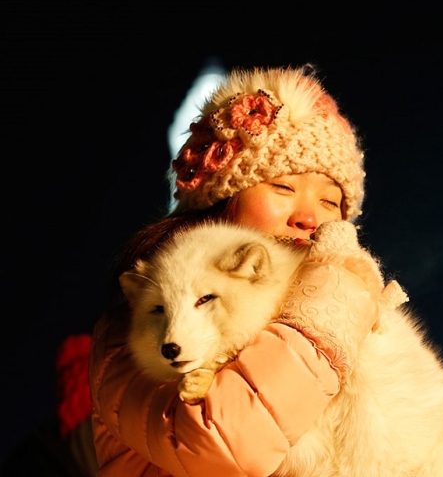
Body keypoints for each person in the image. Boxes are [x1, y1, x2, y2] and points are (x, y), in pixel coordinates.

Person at [90, 65, 392, 476]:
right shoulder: (145, 317)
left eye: (329, 202)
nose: (309, 218)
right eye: (283, 187)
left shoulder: (337, 305)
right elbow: (225, 444)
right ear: (222, 197)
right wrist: (332, 297)